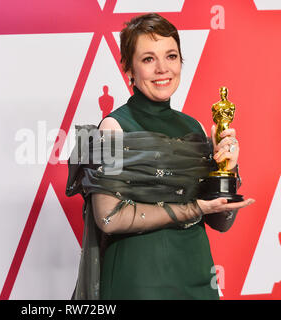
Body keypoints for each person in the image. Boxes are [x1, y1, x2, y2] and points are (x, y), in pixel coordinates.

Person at [66, 13, 255, 300]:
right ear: (129, 68)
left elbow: (221, 222)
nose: (163, 69)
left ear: (181, 61)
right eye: (148, 59)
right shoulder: (114, 127)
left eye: (171, 56)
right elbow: (109, 218)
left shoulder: (195, 127)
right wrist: (194, 209)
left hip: (197, 274)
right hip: (139, 278)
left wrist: (228, 167)